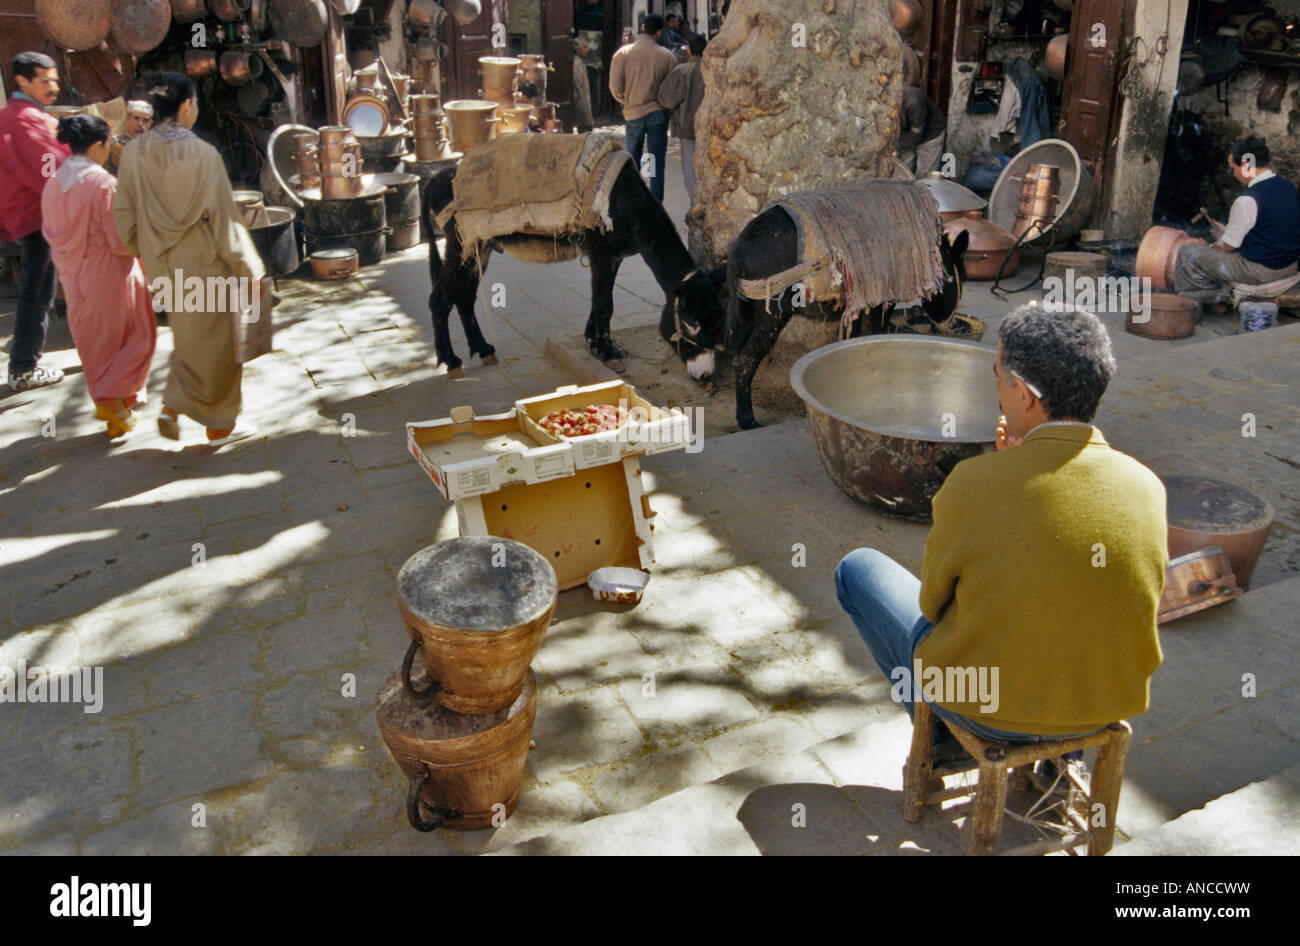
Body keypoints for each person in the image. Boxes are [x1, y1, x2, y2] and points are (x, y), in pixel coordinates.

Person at [835, 303, 1167, 746]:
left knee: (856, 570)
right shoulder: (1146, 486)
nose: (997, 388)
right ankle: (1053, 757)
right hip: (1103, 706)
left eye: (998, 376)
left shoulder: (973, 482)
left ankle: (939, 736)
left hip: (986, 706)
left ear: (1024, 395)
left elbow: (933, 604)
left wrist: (1003, 480)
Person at [113, 72, 264, 447]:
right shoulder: (203, 154)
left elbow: (124, 214)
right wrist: (250, 268)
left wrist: (141, 249)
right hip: (205, 260)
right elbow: (225, 220)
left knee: (190, 335)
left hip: (162, 264)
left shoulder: (133, 152)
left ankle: (174, 405)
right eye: (194, 102)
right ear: (185, 107)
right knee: (221, 345)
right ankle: (220, 425)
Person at [41, 114, 157, 437]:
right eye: (107, 144)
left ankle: (115, 410)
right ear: (97, 146)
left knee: (95, 342)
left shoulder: (53, 181)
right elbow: (121, 241)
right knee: (132, 337)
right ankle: (112, 403)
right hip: (108, 274)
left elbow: (49, 232)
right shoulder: (102, 183)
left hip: (72, 276)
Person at [0, 52, 70, 392]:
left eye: (54, 79)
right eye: (44, 80)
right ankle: (23, 368)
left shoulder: (13, 116)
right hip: (37, 215)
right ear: (22, 81)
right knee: (37, 292)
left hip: (25, 213)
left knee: (38, 290)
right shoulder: (25, 118)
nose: (53, 86)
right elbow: (48, 167)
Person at [1174, 136, 1300, 311]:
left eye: (1233, 167)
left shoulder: (1247, 199)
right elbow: (1273, 226)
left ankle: (1209, 299)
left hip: (1262, 271)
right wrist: (1227, 231)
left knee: (1188, 253)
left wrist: (1214, 244)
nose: (1232, 173)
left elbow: (1228, 246)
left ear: (1246, 166)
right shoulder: (1286, 186)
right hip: (1289, 266)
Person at [609, 14, 677, 202]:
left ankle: (634, 202)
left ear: (643, 27)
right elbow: (671, 90)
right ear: (659, 32)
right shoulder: (667, 56)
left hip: (633, 112)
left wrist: (627, 100)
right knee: (655, 162)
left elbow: (615, 86)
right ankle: (655, 204)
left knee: (633, 160)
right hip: (657, 112)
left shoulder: (623, 54)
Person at [657, 32, 707, 204]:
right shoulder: (716, 71)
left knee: (689, 168)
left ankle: (697, 204)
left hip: (688, 128)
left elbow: (666, 98)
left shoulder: (683, 71)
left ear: (689, 51)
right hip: (712, 129)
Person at [898, 85, 946, 177]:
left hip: (931, 134)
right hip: (908, 133)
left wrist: (897, 147)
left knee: (925, 175)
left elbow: (916, 133)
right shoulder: (885, 102)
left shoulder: (914, 102)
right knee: (903, 171)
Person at [105, 99, 153, 176]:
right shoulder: (116, 143)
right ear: (127, 119)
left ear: (150, 123)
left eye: (145, 120)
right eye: (136, 118)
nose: (140, 124)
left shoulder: (152, 144)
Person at [571, 37, 595, 133]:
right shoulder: (576, 63)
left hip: (583, 99)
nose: (587, 50)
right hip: (580, 100)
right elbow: (576, 83)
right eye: (585, 47)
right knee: (584, 127)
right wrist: (581, 99)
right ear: (578, 49)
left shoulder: (580, 62)